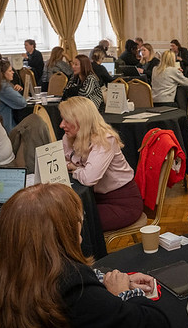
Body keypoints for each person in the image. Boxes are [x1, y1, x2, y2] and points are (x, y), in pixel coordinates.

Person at [0, 183, 170, 328]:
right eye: (79, 223)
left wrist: (101, 280)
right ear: (68, 233)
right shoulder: (73, 288)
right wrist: (122, 293)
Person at [59, 97, 143, 231]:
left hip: (122, 203)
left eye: (66, 120)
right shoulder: (69, 137)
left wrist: (73, 168)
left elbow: (89, 178)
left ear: (81, 120)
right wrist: (78, 168)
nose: (61, 125)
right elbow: (61, 161)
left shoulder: (104, 139)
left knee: (72, 225)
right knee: (61, 217)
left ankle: (92, 253)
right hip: (93, 199)